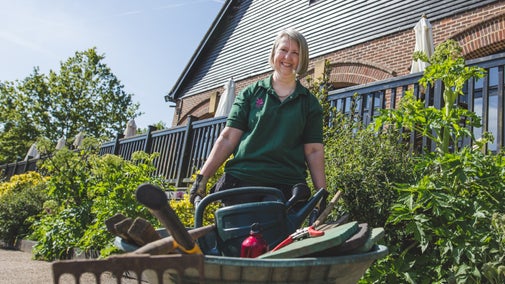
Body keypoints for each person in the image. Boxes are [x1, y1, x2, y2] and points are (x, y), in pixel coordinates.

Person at [190, 28, 328, 213]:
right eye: (283, 50)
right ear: (274, 53)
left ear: (302, 59)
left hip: (286, 188)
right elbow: (228, 138)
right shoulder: (250, 93)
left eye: (295, 52)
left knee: (278, 241)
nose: (288, 57)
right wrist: (202, 179)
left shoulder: (309, 103)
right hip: (242, 181)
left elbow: (313, 151)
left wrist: (321, 194)